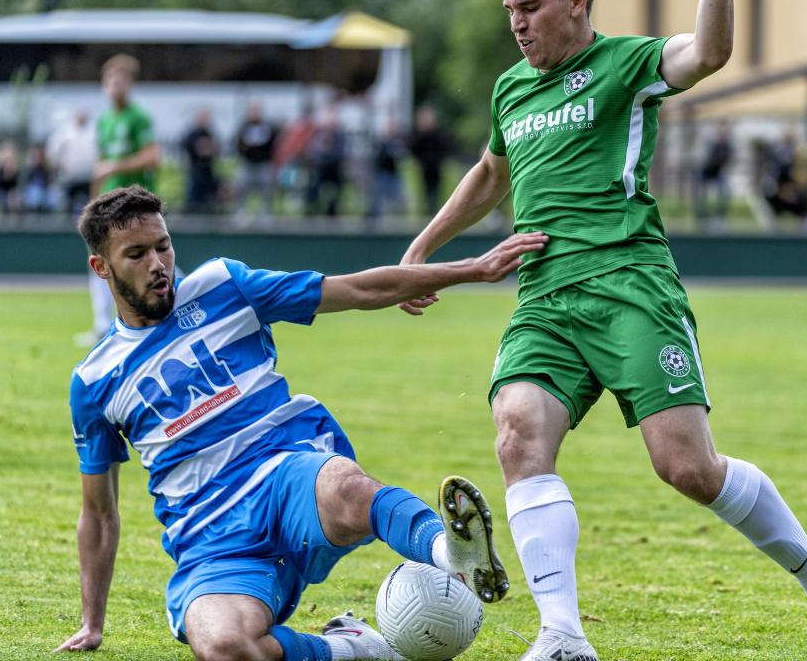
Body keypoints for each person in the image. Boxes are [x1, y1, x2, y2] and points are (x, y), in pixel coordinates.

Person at [397, 0, 807, 661]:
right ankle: (563, 636)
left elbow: (711, 51)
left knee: (688, 468)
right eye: (510, 9)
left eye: (531, 7)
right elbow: (492, 174)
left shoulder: (626, 66)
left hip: (630, 287)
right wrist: (423, 249)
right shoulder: (511, 90)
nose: (518, 24)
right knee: (518, 433)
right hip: (544, 299)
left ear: (577, 1)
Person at [57, 184, 548, 661]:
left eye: (163, 246)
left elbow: (355, 289)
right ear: (101, 267)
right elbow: (98, 513)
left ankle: (448, 552)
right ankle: (355, 648)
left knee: (347, 488)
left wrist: (472, 269)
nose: (157, 264)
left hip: (284, 473)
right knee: (224, 646)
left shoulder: (223, 286)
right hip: (211, 539)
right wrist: (92, 623)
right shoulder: (94, 380)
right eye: (136, 254)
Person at [79, 54, 160, 346]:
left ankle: (186, 297)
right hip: (108, 205)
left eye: (121, 80)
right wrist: (93, 203)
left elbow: (152, 156)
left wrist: (115, 166)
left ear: (131, 84)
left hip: (134, 204)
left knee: (149, 258)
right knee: (101, 258)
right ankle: (103, 326)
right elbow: (100, 165)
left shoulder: (138, 117)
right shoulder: (104, 120)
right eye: (110, 80)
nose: (115, 85)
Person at [46, 109, 97, 215]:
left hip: (89, 179)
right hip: (70, 179)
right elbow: (53, 151)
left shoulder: (94, 131)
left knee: (89, 208)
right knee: (68, 208)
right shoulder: (65, 131)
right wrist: (59, 164)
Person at [235, 100, 280, 220]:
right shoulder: (243, 127)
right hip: (248, 164)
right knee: (241, 188)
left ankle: (265, 215)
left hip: (264, 164)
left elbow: (273, 146)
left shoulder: (268, 127)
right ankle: (241, 214)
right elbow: (238, 145)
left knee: (267, 191)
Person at [305, 107, 345, 218]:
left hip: (334, 167)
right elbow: (312, 150)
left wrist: (332, 158)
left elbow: (341, 152)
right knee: (314, 185)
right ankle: (311, 210)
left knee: (338, 186)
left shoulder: (339, 136)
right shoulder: (318, 135)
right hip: (321, 166)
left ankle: (332, 212)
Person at [408, 104, 447, 215]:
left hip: (435, 167)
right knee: (422, 192)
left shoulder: (437, 135)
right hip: (422, 168)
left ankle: (434, 211)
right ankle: (424, 212)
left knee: (435, 192)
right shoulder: (418, 136)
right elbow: (414, 149)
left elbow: (444, 149)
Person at [182, 107, 221, 214]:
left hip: (208, 172)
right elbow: (189, 148)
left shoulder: (210, 134)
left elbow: (215, 151)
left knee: (210, 198)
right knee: (194, 198)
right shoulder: (192, 134)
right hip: (195, 171)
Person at [369, 120, 409, 221]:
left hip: (393, 173)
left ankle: (400, 219)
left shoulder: (398, 143)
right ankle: (374, 219)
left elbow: (401, 157)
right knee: (377, 198)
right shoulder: (382, 142)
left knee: (398, 198)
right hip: (382, 173)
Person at [695, 122, 733, 224]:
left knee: (725, 191)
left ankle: (720, 216)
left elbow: (727, 161)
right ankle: (701, 216)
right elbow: (705, 161)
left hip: (717, 172)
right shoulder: (711, 144)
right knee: (701, 194)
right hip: (705, 171)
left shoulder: (727, 146)